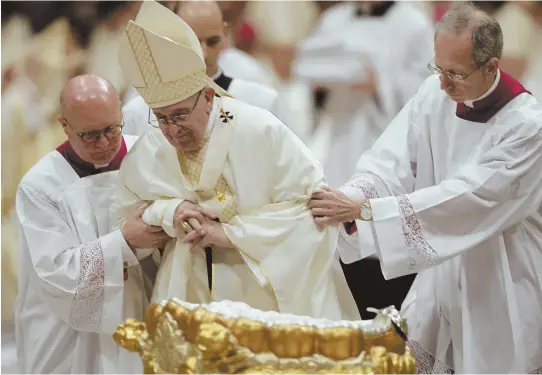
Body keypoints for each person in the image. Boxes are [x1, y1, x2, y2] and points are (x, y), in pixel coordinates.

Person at [307, 3, 542, 373]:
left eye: (455, 73)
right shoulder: (434, 94)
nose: (444, 83)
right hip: (441, 268)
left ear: (492, 67)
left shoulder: (526, 126)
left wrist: (369, 212)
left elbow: (471, 196)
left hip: (502, 276)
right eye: (438, 68)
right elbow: (391, 159)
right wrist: (353, 197)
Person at [114, 2, 359, 321]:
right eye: (162, 119)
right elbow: (126, 209)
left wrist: (231, 235)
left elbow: (310, 208)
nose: (172, 130)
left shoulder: (261, 129)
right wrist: (169, 212)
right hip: (188, 291)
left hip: (261, 297)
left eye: (181, 115)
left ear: (208, 97)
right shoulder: (153, 144)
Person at [14, 75, 169, 373]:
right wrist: (124, 243)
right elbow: (57, 273)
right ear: (64, 125)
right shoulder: (41, 185)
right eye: (90, 135)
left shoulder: (148, 156)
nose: (104, 143)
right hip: (72, 336)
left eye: (111, 129)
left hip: (145, 312)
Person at [293, 0, 433, 319]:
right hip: (339, 135)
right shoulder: (333, 19)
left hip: (385, 138)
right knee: (339, 234)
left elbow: (427, 87)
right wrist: (328, 81)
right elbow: (306, 65)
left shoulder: (413, 23)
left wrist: (378, 80)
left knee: (382, 231)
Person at [122, 0, 279, 137]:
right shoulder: (139, 112)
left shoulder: (261, 100)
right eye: (193, 43)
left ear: (224, 33)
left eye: (212, 41)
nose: (203, 54)